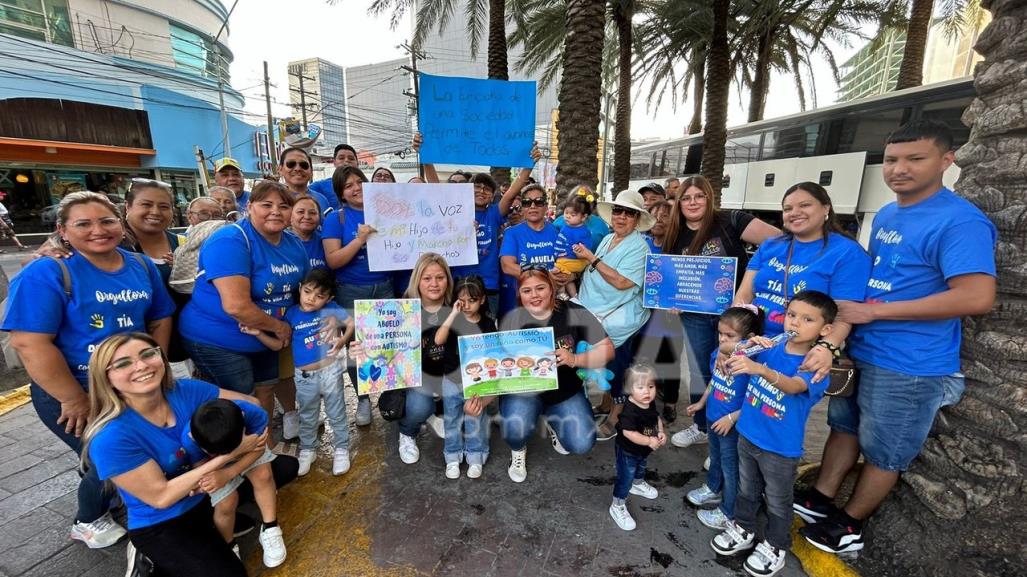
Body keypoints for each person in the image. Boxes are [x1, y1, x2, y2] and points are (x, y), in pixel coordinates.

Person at [797, 120, 997, 554]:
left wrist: (874, 311)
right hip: (865, 349)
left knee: (886, 451)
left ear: (947, 160)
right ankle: (821, 498)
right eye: (890, 159)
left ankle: (849, 523)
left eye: (915, 158)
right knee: (844, 427)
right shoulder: (889, 212)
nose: (898, 169)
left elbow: (977, 295)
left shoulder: (960, 221)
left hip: (910, 363)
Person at [4, 191, 175, 549]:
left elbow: (160, 316)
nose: (98, 230)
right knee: (110, 455)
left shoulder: (140, 266)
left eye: (107, 220)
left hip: (133, 385)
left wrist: (153, 364)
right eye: (83, 223)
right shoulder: (48, 271)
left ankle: (116, 494)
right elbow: (29, 343)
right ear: (62, 230)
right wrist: (74, 399)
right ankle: (87, 519)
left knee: (128, 449)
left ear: (121, 223)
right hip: (76, 389)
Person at [83, 333, 254, 576]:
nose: (141, 366)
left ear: (161, 357)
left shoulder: (187, 390)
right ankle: (148, 558)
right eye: (123, 364)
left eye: (148, 354)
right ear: (106, 378)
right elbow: (162, 497)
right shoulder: (110, 438)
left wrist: (230, 432)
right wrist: (230, 454)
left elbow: (251, 404)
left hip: (203, 494)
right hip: (160, 521)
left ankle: (212, 533)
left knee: (283, 469)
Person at [711, 291, 836, 577]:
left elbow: (794, 386)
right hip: (748, 434)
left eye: (808, 319)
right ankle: (743, 527)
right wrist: (744, 346)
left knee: (778, 500)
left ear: (825, 330)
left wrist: (759, 369)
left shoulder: (815, 365)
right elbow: (730, 355)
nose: (796, 323)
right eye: (792, 315)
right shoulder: (769, 347)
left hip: (780, 448)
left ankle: (776, 545)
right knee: (747, 488)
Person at [665, 175, 779, 450]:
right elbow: (671, 274)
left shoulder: (732, 221)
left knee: (738, 368)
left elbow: (779, 241)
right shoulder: (675, 232)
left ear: (709, 198)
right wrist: (674, 298)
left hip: (734, 315)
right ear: (679, 202)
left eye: (699, 196)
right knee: (700, 370)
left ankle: (730, 434)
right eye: (686, 197)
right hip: (695, 315)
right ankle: (703, 427)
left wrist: (752, 283)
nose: (692, 202)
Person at [179, 180, 308, 418]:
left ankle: (265, 446)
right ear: (249, 206)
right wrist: (280, 327)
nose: (276, 211)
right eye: (266, 204)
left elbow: (301, 290)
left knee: (266, 389)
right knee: (242, 400)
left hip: (266, 336)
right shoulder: (230, 240)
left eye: (284, 206)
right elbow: (236, 305)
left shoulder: (294, 244)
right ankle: (245, 453)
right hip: (219, 338)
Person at [485, 269, 614, 482]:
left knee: (582, 443)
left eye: (540, 288)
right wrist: (482, 397)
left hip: (564, 391)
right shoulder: (511, 320)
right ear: (520, 294)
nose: (534, 295)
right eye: (527, 290)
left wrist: (575, 360)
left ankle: (555, 421)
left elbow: (608, 348)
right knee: (515, 430)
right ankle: (519, 450)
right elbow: (498, 367)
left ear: (551, 288)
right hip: (525, 393)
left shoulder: (574, 312)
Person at [243, 268, 353, 476]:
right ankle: (308, 449)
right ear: (300, 288)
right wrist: (258, 333)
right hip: (304, 377)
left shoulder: (331, 309)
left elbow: (351, 323)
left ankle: (341, 448)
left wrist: (341, 341)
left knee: (336, 412)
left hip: (330, 371)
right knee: (307, 414)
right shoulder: (291, 314)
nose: (312, 299)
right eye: (308, 292)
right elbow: (278, 345)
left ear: (328, 298)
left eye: (320, 296)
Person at [735, 182, 870, 338]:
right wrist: (735, 337)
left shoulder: (847, 252)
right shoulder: (770, 245)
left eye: (805, 205)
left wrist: (826, 348)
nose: (795, 212)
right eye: (788, 209)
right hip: (752, 338)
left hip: (800, 347)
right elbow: (744, 296)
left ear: (826, 208)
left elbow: (843, 314)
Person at [574, 190, 654, 440]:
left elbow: (621, 282)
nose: (621, 217)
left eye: (628, 213)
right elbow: (597, 271)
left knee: (618, 366)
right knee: (606, 363)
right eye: (618, 211)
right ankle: (607, 404)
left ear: (637, 219)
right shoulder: (609, 238)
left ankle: (616, 416)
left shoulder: (640, 247)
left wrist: (591, 258)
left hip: (619, 320)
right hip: (596, 312)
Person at [323, 165, 392, 426]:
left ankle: (389, 395)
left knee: (386, 345)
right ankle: (363, 399)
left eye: (359, 182)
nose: (355, 188)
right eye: (348, 185)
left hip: (384, 287)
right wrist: (359, 240)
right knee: (356, 348)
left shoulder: (385, 212)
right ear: (341, 194)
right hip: (350, 290)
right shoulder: (336, 219)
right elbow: (333, 261)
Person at [685, 306, 763, 531]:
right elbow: (715, 379)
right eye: (720, 334)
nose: (723, 339)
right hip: (713, 416)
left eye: (730, 336)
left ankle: (728, 511)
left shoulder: (750, 363)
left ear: (748, 339)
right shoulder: (718, 354)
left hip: (731, 424)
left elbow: (753, 399)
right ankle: (712, 488)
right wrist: (701, 403)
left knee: (731, 467)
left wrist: (731, 418)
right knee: (715, 457)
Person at [183, 399, 285, 567]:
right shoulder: (190, 439)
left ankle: (270, 526)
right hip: (214, 466)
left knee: (263, 475)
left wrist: (229, 472)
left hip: (249, 451)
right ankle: (228, 545)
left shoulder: (253, 413)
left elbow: (259, 448)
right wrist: (217, 474)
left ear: (244, 428)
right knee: (225, 502)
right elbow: (202, 470)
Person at [435, 275, 496, 479]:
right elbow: (439, 339)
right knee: (451, 419)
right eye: (463, 301)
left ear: (482, 300)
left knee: (475, 418)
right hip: (451, 380)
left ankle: (475, 455)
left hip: (477, 382)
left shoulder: (488, 323)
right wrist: (453, 313)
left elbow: (493, 354)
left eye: (473, 300)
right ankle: (452, 456)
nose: (467, 305)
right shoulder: (454, 320)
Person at [632, 200, 684, 423]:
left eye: (666, 215)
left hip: (671, 315)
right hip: (643, 313)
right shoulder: (640, 244)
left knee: (670, 358)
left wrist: (683, 301)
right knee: (644, 357)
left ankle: (670, 403)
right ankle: (645, 401)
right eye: (655, 214)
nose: (660, 219)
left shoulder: (680, 247)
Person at [609, 363, 666, 532]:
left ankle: (638, 483)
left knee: (641, 467)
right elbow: (629, 433)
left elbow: (656, 419)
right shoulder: (630, 410)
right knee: (625, 477)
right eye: (640, 387)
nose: (647, 392)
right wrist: (649, 441)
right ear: (629, 389)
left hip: (642, 449)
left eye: (650, 386)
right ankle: (617, 504)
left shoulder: (649, 402)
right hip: (628, 451)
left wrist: (660, 432)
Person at [498, 184, 560, 318]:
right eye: (527, 203)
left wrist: (568, 276)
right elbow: (507, 266)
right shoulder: (512, 233)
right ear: (523, 207)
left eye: (538, 202)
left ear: (545, 206)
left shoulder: (556, 232)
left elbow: (565, 261)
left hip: (551, 304)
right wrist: (545, 277)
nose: (533, 206)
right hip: (518, 304)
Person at [123, 178, 183, 283]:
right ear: (128, 206)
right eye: (146, 205)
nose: (155, 212)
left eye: (164, 207)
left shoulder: (183, 244)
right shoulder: (114, 246)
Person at [552, 186, 611, 250]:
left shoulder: (600, 224)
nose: (582, 204)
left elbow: (608, 247)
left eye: (586, 201)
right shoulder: (559, 222)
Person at [278, 148, 333, 215]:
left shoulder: (321, 200)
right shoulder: (274, 199)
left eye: (304, 165)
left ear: (311, 171)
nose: (298, 169)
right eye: (291, 164)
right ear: (280, 169)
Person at [553, 195, 595, 280]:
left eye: (573, 214)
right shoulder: (565, 225)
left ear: (583, 217)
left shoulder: (583, 232)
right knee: (566, 280)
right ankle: (573, 294)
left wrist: (579, 248)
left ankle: (563, 291)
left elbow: (587, 247)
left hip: (573, 261)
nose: (567, 216)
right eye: (566, 212)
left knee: (555, 270)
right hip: (564, 258)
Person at [309, 144, 357, 211]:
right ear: (334, 162)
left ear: (357, 163)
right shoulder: (319, 186)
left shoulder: (365, 187)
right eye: (341, 158)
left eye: (351, 159)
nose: (346, 161)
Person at [291, 196, 327, 270]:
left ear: (319, 217)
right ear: (290, 216)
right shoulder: (281, 242)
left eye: (312, 213)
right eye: (300, 212)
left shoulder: (326, 242)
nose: (307, 217)